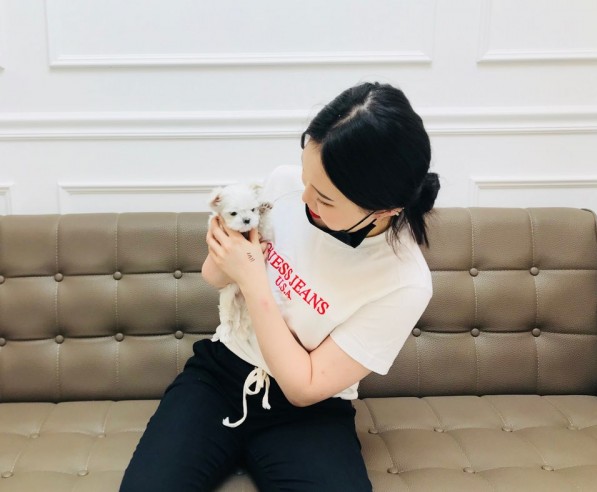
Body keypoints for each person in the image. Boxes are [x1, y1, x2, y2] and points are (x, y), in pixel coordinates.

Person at [120, 81, 440, 492]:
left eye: (325, 199)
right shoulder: (282, 185)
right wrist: (225, 250)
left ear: (386, 209)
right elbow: (214, 276)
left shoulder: (405, 282)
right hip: (221, 375)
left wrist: (254, 279)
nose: (304, 197)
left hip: (309, 411)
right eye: (306, 178)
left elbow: (304, 388)